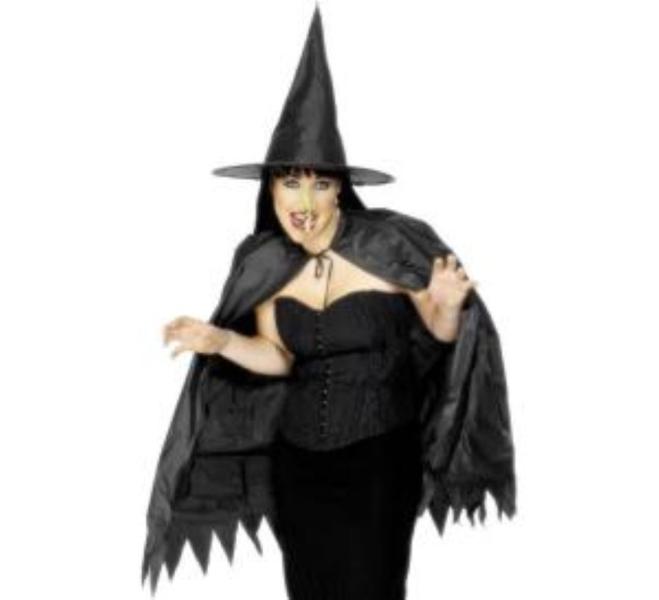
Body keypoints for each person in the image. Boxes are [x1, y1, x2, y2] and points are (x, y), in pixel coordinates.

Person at [142, 5, 516, 597]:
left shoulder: (390, 243)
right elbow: (278, 356)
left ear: (339, 189)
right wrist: (220, 340)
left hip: (379, 461)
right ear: (271, 190)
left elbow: (437, 335)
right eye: (290, 182)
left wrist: (446, 305)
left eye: (319, 183)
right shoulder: (262, 260)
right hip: (297, 465)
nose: (304, 200)